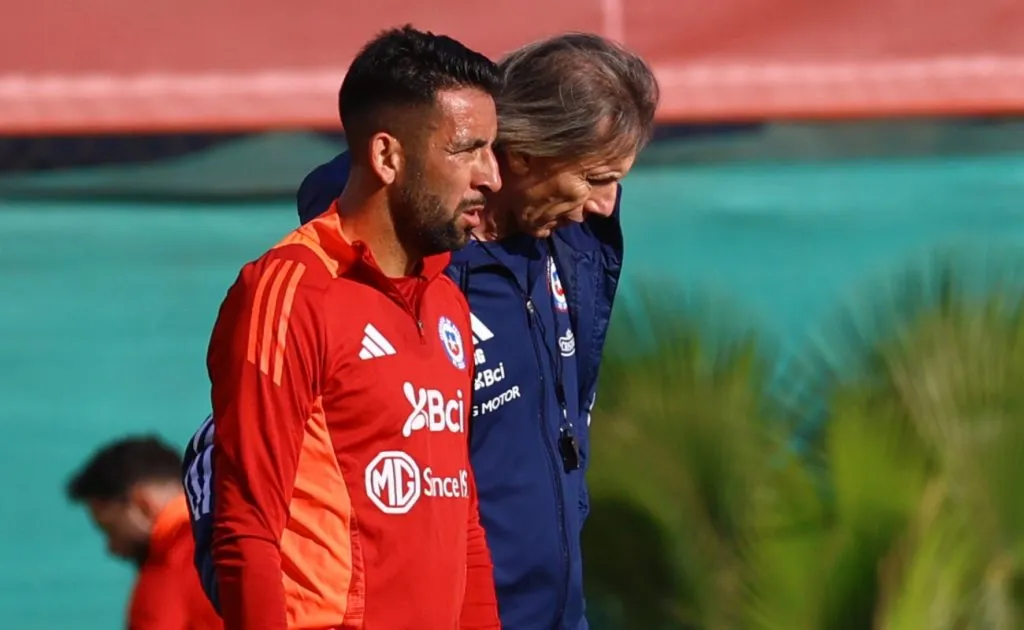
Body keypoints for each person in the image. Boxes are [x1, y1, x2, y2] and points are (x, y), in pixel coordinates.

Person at [295, 33, 660, 630]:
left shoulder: (569, 239)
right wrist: (439, 152)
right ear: (524, 152)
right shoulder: (409, 264)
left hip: (559, 612)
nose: (605, 203)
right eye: (594, 177)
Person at [184, 25, 502, 630]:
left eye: (492, 149)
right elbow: (248, 526)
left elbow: (462, 520)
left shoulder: (446, 301)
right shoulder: (290, 289)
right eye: (467, 150)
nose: (492, 176)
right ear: (387, 157)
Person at [66, 436, 222, 630]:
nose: (112, 549)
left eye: (111, 530)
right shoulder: (238, 536)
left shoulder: (166, 569)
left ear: (143, 504)